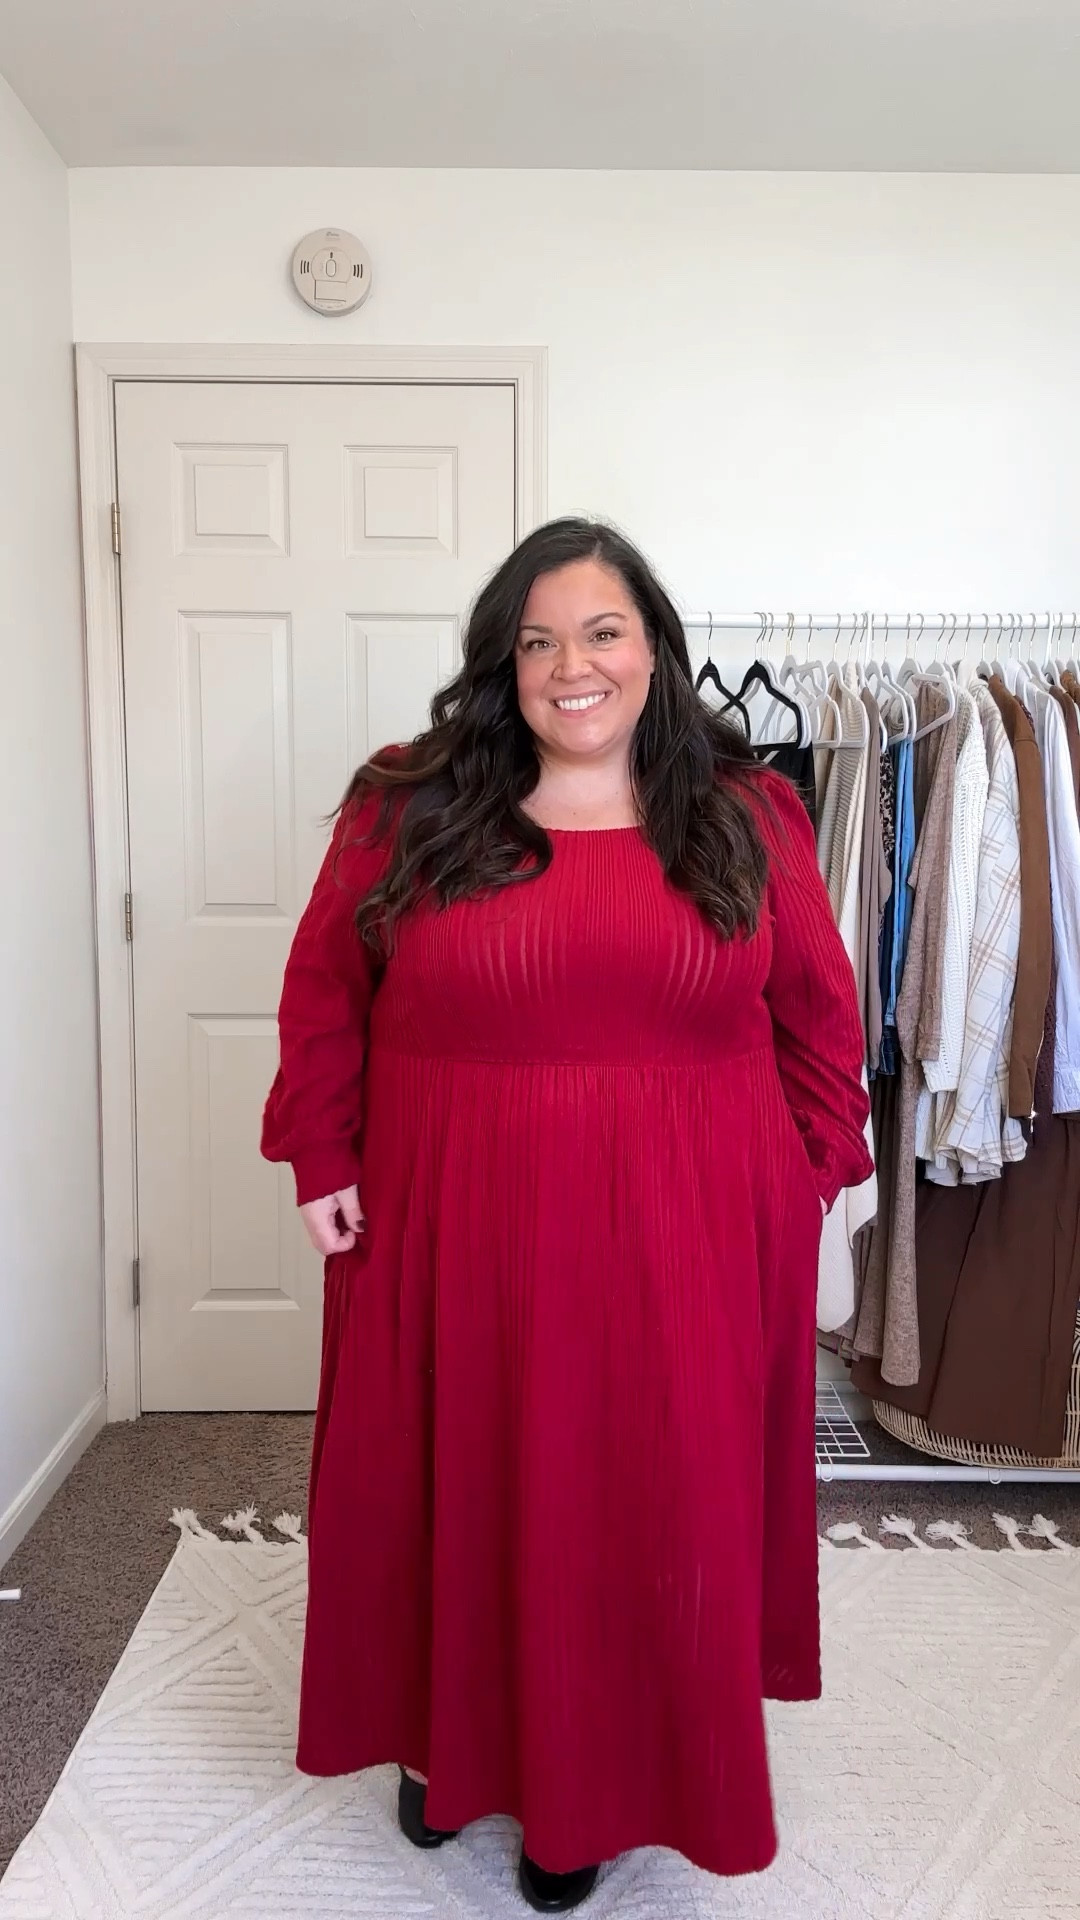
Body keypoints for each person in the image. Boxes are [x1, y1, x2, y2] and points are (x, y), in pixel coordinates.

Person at [261, 518, 872, 1911]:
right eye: (537, 640)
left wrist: (800, 1179)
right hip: (444, 1221)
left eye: (600, 632)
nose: (570, 665)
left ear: (653, 648)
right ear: (503, 666)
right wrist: (321, 1156)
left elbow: (821, 1027)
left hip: (682, 1240)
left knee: (626, 1509)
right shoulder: (406, 806)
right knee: (444, 1484)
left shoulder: (747, 813)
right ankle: (441, 1744)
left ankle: (579, 1799)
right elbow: (324, 998)